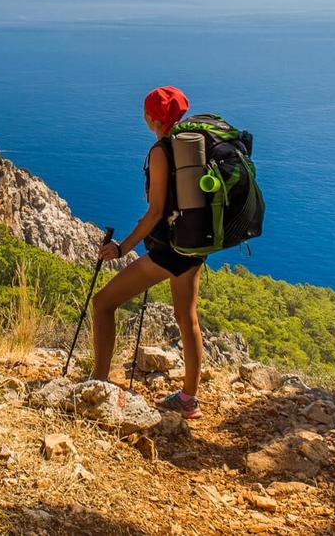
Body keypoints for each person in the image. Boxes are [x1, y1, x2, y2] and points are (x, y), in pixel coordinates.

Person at [90, 85, 205, 419]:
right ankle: (188, 399)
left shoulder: (160, 152)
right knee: (187, 319)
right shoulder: (193, 143)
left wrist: (122, 248)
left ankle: (99, 382)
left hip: (167, 252)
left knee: (102, 304)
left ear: (152, 117)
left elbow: (155, 212)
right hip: (194, 245)